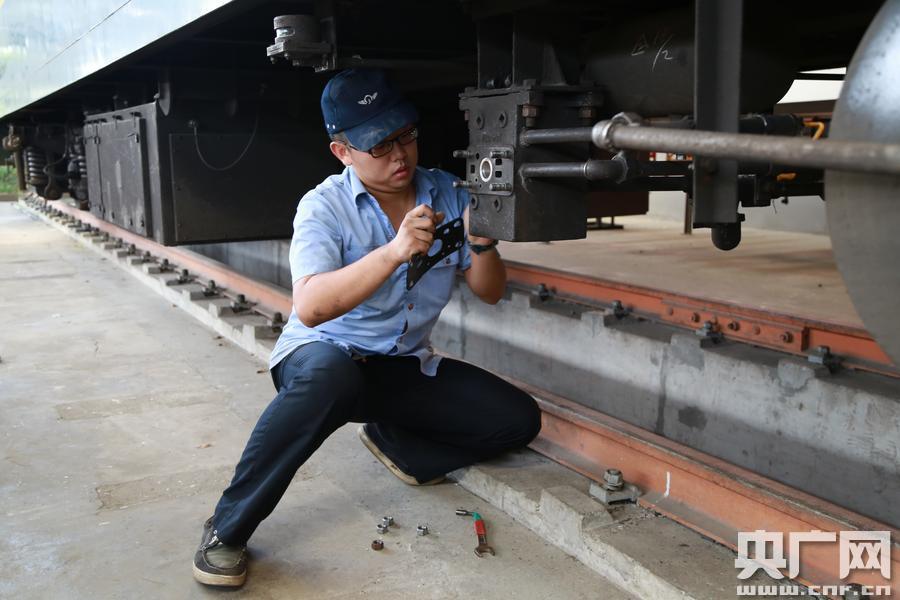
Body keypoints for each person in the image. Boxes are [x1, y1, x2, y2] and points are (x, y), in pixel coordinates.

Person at [192, 68, 542, 587]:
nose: (399, 154)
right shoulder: (323, 206)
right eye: (379, 145)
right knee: (331, 376)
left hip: (398, 365)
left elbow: (489, 292)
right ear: (343, 152)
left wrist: (483, 242)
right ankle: (225, 530)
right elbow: (311, 307)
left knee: (517, 419)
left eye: (406, 136)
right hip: (322, 357)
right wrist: (394, 251)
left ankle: (401, 448)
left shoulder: (448, 192)